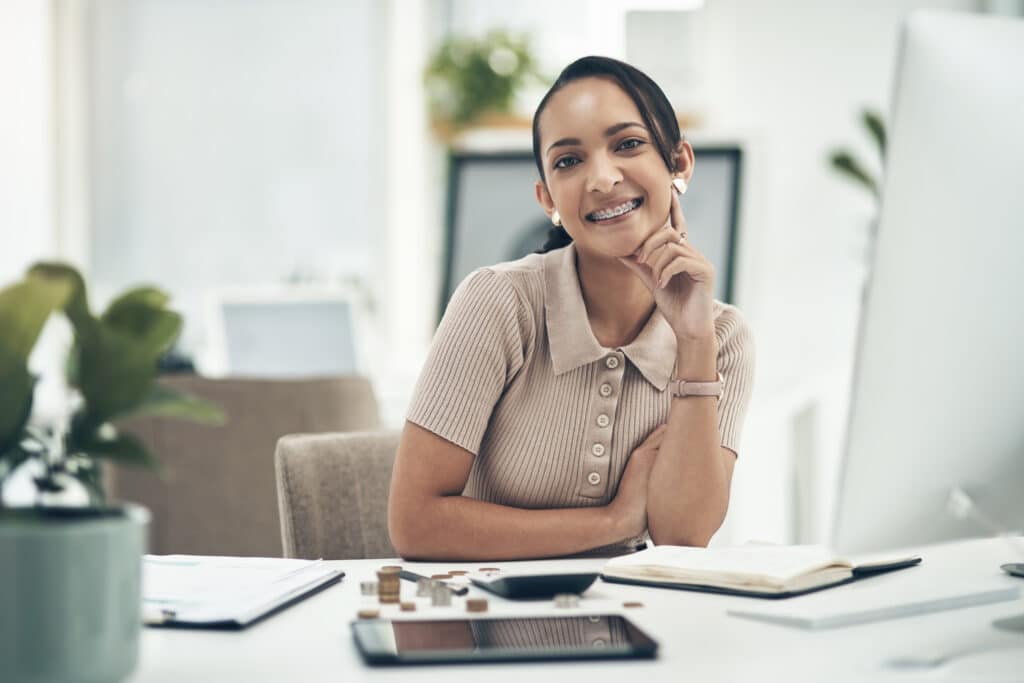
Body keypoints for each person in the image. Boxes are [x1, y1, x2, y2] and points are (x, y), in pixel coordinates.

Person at [388, 56, 754, 560]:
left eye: (627, 144)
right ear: (548, 199)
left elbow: (684, 538)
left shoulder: (722, 335)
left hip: (631, 619)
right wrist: (614, 522)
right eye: (568, 161)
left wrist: (693, 341)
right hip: (487, 619)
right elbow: (415, 524)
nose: (602, 179)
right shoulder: (497, 302)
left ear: (679, 164)